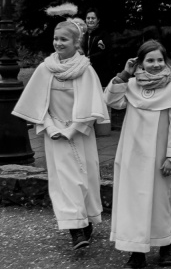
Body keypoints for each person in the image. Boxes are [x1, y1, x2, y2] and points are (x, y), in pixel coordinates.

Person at [12, 18, 110, 249]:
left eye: (63, 39)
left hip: (79, 133)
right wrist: (51, 128)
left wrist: (73, 130)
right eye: (55, 38)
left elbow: (92, 106)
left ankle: (85, 222)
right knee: (65, 181)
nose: (58, 43)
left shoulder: (86, 71)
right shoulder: (45, 69)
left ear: (77, 43)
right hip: (55, 133)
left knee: (84, 179)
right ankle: (75, 230)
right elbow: (38, 105)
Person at [104, 40, 171, 269]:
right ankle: (137, 253)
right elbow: (112, 101)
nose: (155, 65)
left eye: (159, 60)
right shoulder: (131, 85)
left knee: (162, 200)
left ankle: (165, 244)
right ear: (140, 63)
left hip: (160, 157)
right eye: (150, 60)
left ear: (166, 62)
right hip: (133, 154)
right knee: (134, 202)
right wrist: (124, 73)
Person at [83, 9, 114, 86]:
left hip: (101, 72)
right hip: (84, 70)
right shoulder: (83, 34)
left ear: (98, 20)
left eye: (93, 18)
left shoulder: (103, 34)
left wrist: (89, 58)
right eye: (88, 18)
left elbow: (104, 52)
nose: (90, 20)